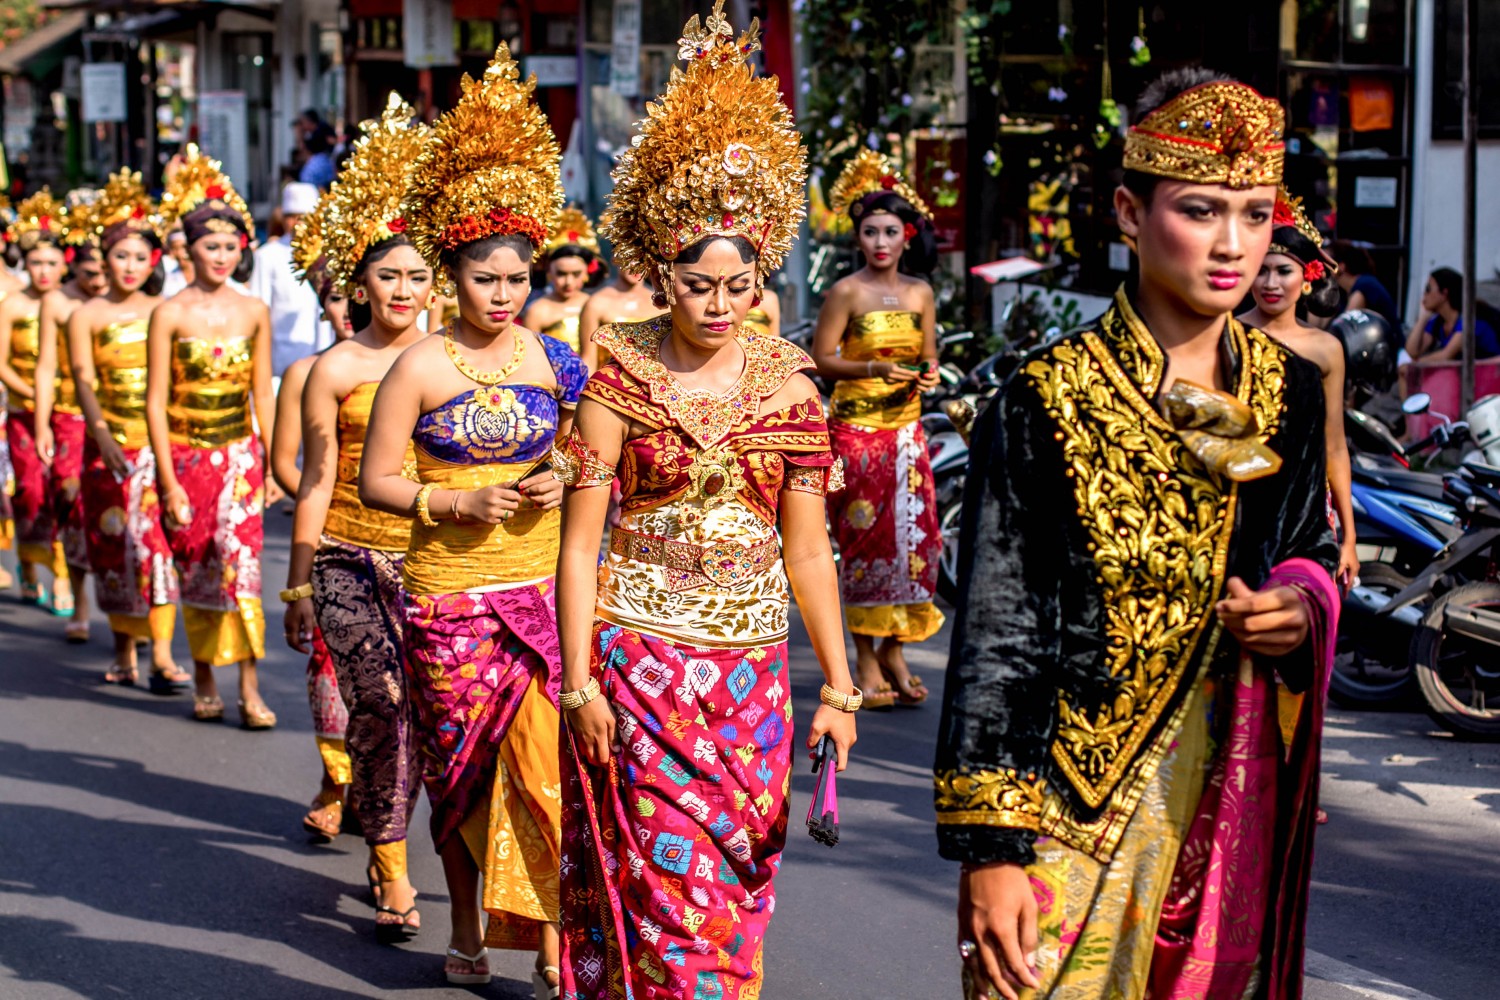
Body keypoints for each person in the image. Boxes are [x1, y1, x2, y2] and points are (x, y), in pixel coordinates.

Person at [937, 69, 1341, 1000]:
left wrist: (1297, 605)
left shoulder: (1290, 391)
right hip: (1068, 804)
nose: (1235, 244)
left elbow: (1307, 548)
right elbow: (1000, 635)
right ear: (1129, 210)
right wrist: (991, 849)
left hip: (1229, 792)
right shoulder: (1045, 397)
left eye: (1254, 213)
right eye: (1202, 210)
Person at [556, 7, 858, 998]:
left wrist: (841, 685)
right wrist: (578, 684)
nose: (719, 302)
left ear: (761, 277)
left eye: (738, 282)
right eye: (698, 282)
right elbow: (580, 543)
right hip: (637, 657)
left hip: (754, 680)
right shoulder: (616, 382)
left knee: (734, 879)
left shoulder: (789, 391)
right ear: (661, 276)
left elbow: (808, 552)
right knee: (663, 884)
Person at [362, 47, 577, 991]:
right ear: (452, 278)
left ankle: (559, 941)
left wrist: (557, 476)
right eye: (484, 279)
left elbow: (584, 456)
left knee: (549, 772)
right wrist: (454, 498)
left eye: (514, 279)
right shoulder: (417, 367)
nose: (502, 294)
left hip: (539, 589)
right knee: (463, 780)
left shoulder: (553, 357)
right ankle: (467, 926)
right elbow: (377, 485)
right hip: (447, 599)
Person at [282, 94, 433, 940]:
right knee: (380, 705)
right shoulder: (333, 370)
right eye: (388, 276)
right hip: (350, 558)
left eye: (417, 275)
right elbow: (315, 481)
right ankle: (390, 862)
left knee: (449, 717)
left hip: (446, 562)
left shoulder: (462, 360)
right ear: (359, 283)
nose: (404, 290)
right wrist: (299, 583)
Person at [147, 146, 278, 728]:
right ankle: (204, 677)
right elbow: (156, 401)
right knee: (197, 566)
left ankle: (250, 686)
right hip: (185, 457)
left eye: (230, 246)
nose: (221, 256)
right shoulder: (168, 313)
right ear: (188, 249)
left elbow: (263, 395)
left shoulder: (254, 311)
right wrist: (169, 480)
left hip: (240, 460)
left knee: (244, 566)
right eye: (209, 246)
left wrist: (273, 464)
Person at [813, 148, 945, 709]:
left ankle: (894, 649)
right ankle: (864, 658)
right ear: (858, 237)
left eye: (891, 231)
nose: (881, 242)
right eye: (870, 231)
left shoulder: (920, 292)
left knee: (915, 545)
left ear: (908, 236)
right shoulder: (846, 291)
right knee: (865, 544)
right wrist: (872, 368)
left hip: (907, 436)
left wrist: (929, 375)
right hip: (857, 434)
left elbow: (930, 356)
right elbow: (820, 359)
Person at [60, 170, 190, 691]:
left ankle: (160, 654)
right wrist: (103, 434)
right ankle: (123, 652)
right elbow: (84, 380)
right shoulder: (85, 315)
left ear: (153, 260)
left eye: (141, 257)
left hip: (159, 447)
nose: (130, 267)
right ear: (103, 259)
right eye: (121, 256)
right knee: (113, 549)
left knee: (158, 549)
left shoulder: (165, 311)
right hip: (107, 450)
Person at [270, 193, 357, 843]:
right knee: (330, 669)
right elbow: (286, 466)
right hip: (333, 542)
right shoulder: (307, 371)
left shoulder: (425, 363)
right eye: (336, 297)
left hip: (419, 544)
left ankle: (379, 800)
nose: (349, 310)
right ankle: (335, 781)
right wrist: (329, 512)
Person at [1239, 187, 1358, 592]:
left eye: (1283, 270)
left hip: (1305, 511)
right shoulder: (1226, 334)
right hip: (1236, 506)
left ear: (1307, 277)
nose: (1270, 282)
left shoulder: (1326, 349)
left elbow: (1335, 444)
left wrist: (1349, 535)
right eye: (1261, 269)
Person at [34, 190, 110, 638]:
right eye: (89, 273)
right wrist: (43, 421)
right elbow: (46, 366)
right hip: (69, 417)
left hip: (121, 422)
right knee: (73, 505)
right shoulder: (58, 303)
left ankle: (135, 618)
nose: (99, 282)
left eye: (105, 272)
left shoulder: (136, 304)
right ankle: (78, 598)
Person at [0, 190, 72, 608]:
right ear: (24, 264)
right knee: (29, 491)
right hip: (24, 411)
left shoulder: (73, 304)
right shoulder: (13, 305)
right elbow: (3, 363)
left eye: (52, 262)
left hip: (67, 414)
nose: (44, 271)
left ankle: (62, 575)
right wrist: (34, 393)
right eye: (36, 263)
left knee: (65, 490)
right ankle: (29, 565)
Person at [252, 182, 330, 377]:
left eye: (304, 218)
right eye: (292, 217)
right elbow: (260, 307)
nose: (298, 223)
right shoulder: (267, 255)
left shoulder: (329, 253)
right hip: (281, 359)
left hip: (326, 352)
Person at [519, 206, 604, 353]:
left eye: (576, 274)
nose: (568, 282)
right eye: (561, 273)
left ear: (587, 273)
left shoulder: (596, 305)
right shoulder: (537, 311)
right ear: (549, 271)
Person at [576, 263, 661, 372]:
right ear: (615, 259)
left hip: (654, 384)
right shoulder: (596, 303)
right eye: (629, 257)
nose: (635, 265)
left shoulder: (661, 302)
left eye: (641, 259)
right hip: (610, 385)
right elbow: (589, 360)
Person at [1405, 266, 1500, 363]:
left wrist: (1412, 366)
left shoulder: (1468, 321)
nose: (1424, 294)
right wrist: (1423, 318)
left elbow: (1445, 356)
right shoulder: (1438, 322)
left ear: (1444, 293)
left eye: (1428, 289)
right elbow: (1412, 352)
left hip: (1492, 371)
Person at [1330, 240, 1401, 336]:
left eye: (1326, 260)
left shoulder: (1364, 285)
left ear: (1340, 267)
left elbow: (1343, 329)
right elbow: (1317, 325)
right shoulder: (1344, 292)